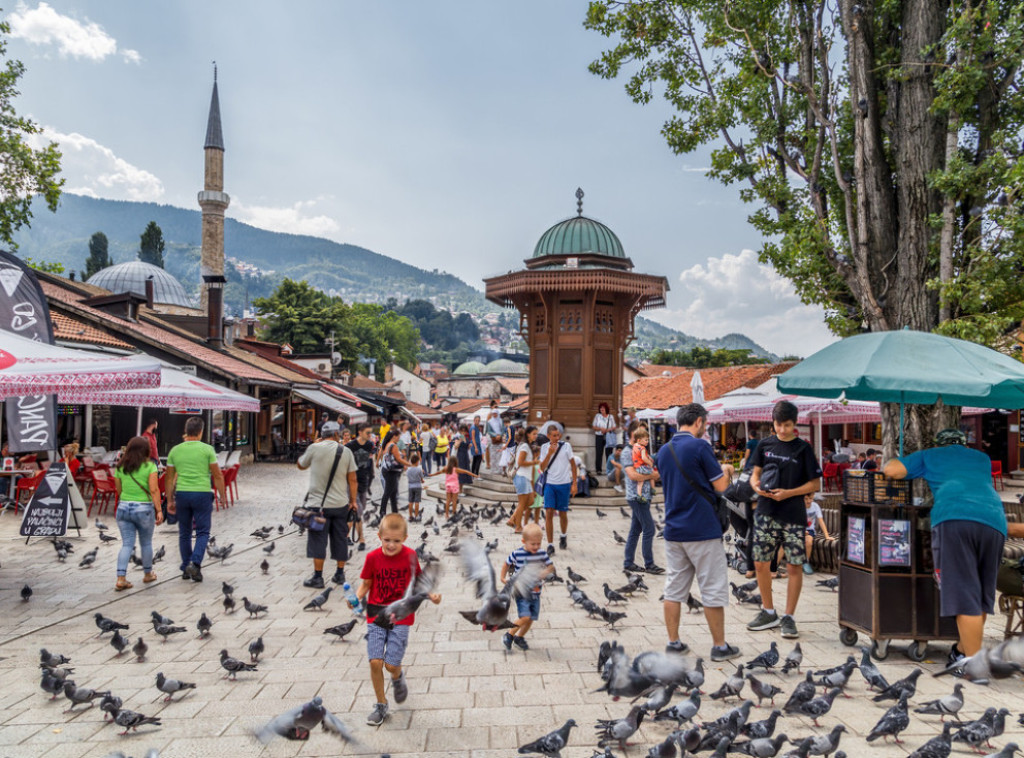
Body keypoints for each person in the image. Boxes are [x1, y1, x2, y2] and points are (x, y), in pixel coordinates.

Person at [883, 428, 1007, 660]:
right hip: (995, 522)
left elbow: (892, 470)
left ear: (939, 444)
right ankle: (961, 651)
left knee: (965, 598)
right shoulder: (982, 458)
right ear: (964, 443)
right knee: (980, 596)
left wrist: (896, 459)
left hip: (954, 519)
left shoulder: (931, 455)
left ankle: (975, 668)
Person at [655, 404, 739, 661]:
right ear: (699, 422)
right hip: (702, 528)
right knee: (712, 588)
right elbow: (721, 486)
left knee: (673, 589)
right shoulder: (700, 446)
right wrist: (727, 470)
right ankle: (719, 647)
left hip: (674, 529)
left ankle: (673, 643)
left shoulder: (663, 451)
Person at [357, 513, 441, 726]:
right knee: (375, 662)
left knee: (391, 665)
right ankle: (381, 704)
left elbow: (419, 583)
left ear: (404, 538)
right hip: (376, 614)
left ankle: (397, 675)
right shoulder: (372, 558)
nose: (391, 545)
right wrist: (356, 597)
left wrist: (431, 595)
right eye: (387, 540)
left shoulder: (411, 556)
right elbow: (366, 584)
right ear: (379, 537)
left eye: (396, 540)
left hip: (401, 616)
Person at [747, 400, 822, 639]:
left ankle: (789, 617)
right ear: (773, 423)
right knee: (760, 562)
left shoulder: (803, 449)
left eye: (787, 425)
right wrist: (756, 487)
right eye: (778, 425)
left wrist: (789, 493)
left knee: (794, 565)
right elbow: (755, 474)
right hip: (765, 511)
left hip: (793, 515)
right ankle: (768, 611)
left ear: (795, 423)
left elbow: (815, 484)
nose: (782, 429)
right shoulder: (764, 445)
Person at [297, 420, 358, 588]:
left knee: (318, 540)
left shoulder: (314, 448)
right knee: (340, 538)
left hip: (318, 506)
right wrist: (353, 501)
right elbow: (353, 479)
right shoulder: (346, 451)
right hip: (340, 504)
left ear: (322, 435)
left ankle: (318, 577)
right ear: (337, 434)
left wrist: (313, 445)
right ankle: (339, 574)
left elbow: (301, 465)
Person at [165, 416, 226, 583]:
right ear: (201, 432)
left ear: (186, 431)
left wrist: (170, 500)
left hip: (182, 494)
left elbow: (169, 479)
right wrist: (222, 495)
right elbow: (217, 475)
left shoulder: (175, 450)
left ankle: (186, 567)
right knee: (203, 531)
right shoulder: (207, 450)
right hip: (202, 494)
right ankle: (195, 563)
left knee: (184, 532)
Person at [111, 436, 162, 590]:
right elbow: (154, 489)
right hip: (143, 509)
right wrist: (159, 510)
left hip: (123, 508)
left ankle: (121, 578)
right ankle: (147, 574)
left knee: (127, 544)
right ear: (146, 450)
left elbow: (119, 490)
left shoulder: (120, 467)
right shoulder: (150, 466)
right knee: (146, 543)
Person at [500, 523, 554, 651]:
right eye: (533, 544)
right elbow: (506, 563)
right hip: (521, 592)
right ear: (524, 541)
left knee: (531, 618)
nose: (536, 546)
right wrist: (502, 577)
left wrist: (545, 572)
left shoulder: (542, 554)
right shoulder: (517, 553)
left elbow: (551, 567)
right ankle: (509, 635)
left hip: (536, 593)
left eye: (538, 543)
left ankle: (519, 637)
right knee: (525, 616)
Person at [623, 425, 663, 575]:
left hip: (644, 495)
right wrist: (652, 475)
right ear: (634, 434)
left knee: (635, 530)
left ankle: (628, 563)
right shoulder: (627, 452)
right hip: (636, 497)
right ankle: (649, 564)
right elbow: (633, 475)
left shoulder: (641, 449)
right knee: (649, 528)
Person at [539, 423, 577, 555]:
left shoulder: (566, 446)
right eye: (554, 435)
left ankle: (563, 535)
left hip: (564, 483)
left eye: (558, 435)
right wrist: (549, 454)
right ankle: (550, 544)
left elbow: (573, 465)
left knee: (562, 513)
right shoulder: (544, 448)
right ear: (548, 436)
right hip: (550, 484)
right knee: (549, 512)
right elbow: (541, 467)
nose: (557, 437)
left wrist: (574, 483)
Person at [347, 423, 375, 551]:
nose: (369, 435)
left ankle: (345, 535)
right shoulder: (350, 446)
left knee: (359, 510)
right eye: (367, 432)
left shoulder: (370, 445)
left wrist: (370, 478)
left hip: (364, 481)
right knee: (357, 511)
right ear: (360, 432)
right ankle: (361, 540)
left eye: (370, 433)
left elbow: (370, 462)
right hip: (352, 482)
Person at [508, 426, 540, 532]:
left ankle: (512, 518)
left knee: (530, 501)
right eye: (534, 434)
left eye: (536, 434)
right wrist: (534, 462)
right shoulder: (525, 446)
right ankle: (518, 526)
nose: (536, 436)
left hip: (526, 477)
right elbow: (520, 462)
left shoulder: (528, 446)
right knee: (522, 503)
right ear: (528, 434)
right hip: (521, 476)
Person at [376, 428, 409, 515]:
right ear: (394, 436)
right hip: (391, 471)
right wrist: (409, 464)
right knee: (388, 492)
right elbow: (398, 459)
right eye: (398, 437)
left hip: (386, 469)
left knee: (393, 493)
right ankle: (382, 512)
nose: (399, 439)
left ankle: (394, 512)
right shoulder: (393, 446)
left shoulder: (387, 444)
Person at [802, 493, 833, 575]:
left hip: (810, 530)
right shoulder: (799, 507)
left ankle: (806, 562)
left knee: (809, 541)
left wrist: (827, 536)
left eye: (811, 498)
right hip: (799, 529)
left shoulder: (815, 506)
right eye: (806, 499)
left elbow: (821, 521)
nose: (809, 501)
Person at [592, 402, 618, 474]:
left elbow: (614, 426)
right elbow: (594, 426)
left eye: (603, 408)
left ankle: (609, 469)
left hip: (608, 436)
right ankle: (598, 470)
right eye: (600, 408)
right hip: (599, 436)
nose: (602, 409)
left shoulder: (611, 417)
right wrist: (601, 429)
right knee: (599, 453)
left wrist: (607, 430)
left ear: (606, 409)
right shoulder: (597, 416)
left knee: (609, 454)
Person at [406, 452, 424, 521]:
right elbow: (422, 477)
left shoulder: (408, 470)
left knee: (410, 502)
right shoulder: (419, 469)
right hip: (418, 486)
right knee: (417, 502)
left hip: (410, 486)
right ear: (417, 462)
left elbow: (408, 477)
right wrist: (422, 480)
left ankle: (410, 516)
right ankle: (416, 516)